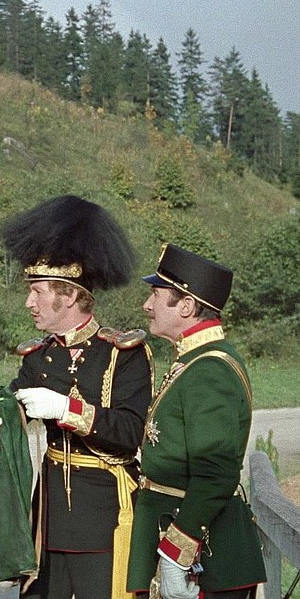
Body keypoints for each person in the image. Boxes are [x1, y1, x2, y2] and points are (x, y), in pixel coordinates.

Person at [0, 195, 153, 599]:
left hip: (103, 517)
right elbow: (15, 406)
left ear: (67, 295)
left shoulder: (123, 354)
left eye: (37, 291)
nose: (28, 302)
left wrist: (68, 410)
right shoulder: (39, 355)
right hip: (48, 518)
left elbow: (130, 431)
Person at [126, 243, 266, 598]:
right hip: (173, 534)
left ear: (186, 306)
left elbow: (216, 472)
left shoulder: (210, 370)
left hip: (203, 559)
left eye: (156, 295)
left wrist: (177, 555)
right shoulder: (194, 359)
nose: (146, 305)